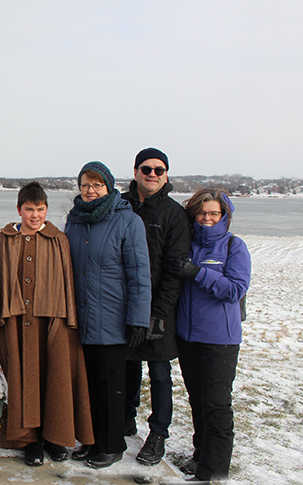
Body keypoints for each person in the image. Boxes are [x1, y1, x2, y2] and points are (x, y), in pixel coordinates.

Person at [0, 181, 94, 467]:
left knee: (55, 378)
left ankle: (55, 437)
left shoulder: (59, 240)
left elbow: (68, 280)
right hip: (18, 322)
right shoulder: (2, 242)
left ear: (46, 209)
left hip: (53, 319)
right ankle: (30, 440)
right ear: (19, 209)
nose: (35, 215)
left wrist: (70, 317)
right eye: (29, 209)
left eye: (41, 209)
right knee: (24, 380)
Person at [63, 162, 151, 469]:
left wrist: (138, 318)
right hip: (81, 318)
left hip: (113, 318)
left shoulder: (127, 221)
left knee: (110, 385)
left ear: (109, 187)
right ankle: (92, 440)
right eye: (85, 185)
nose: (90, 191)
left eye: (97, 185)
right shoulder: (74, 220)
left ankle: (112, 445)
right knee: (88, 385)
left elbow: (140, 274)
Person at [167, 189, 250, 482]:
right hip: (189, 337)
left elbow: (235, 289)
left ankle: (214, 471)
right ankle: (200, 453)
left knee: (216, 404)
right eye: (202, 213)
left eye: (213, 213)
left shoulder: (233, 246)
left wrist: (198, 273)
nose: (207, 218)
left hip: (220, 340)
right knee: (198, 400)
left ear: (224, 215)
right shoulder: (187, 244)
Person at [124, 148, 191, 466]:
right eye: (146, 169)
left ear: (166, 175)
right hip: (122, 305)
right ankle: (125, 421)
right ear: (136, 171)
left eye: (159, 170)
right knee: (126, 367)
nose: (152, 174)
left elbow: (176, 268)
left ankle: (158, 434)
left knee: (160, 372)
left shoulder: (173, 214)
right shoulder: (121, 206)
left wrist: (157, 313)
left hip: (158, 309)